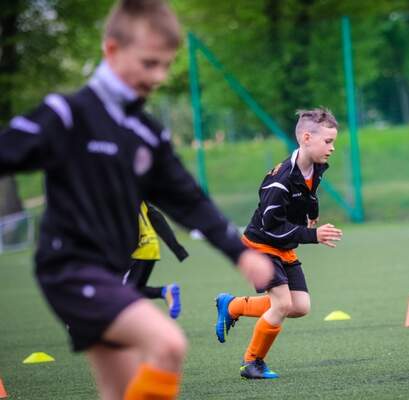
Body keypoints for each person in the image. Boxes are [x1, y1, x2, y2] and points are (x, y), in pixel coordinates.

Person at [0, 1, 273, 399]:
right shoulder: (67, 114)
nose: (158, 76)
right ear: (112, 50)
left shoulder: (147, 133)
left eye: (165, 65)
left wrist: (239, 252)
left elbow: (189, 200)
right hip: (71, 268)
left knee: (121, 388)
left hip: (111, 273)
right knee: (168, 344)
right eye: (149, 63)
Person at [214, 108, 343, 379]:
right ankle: (252, 362)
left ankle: (233, 306)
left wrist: (312, 212)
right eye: (328, 141)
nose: (332, 148)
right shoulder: (279, 181)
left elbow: (310, 192)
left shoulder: (316, 166)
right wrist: (313, 235)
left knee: (300, 306)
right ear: (306, 138)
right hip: (260, 245)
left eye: (333, 142)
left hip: (282, 246)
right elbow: (272, 227)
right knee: (282, 304)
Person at [123, 202, 188, 319]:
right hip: (150, 246)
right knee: (135, 288)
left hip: (137, 249)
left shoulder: (113, 196)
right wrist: (177, 248)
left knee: (120, 290)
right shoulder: (136, 194)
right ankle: (165, 291)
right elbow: (157, 218)